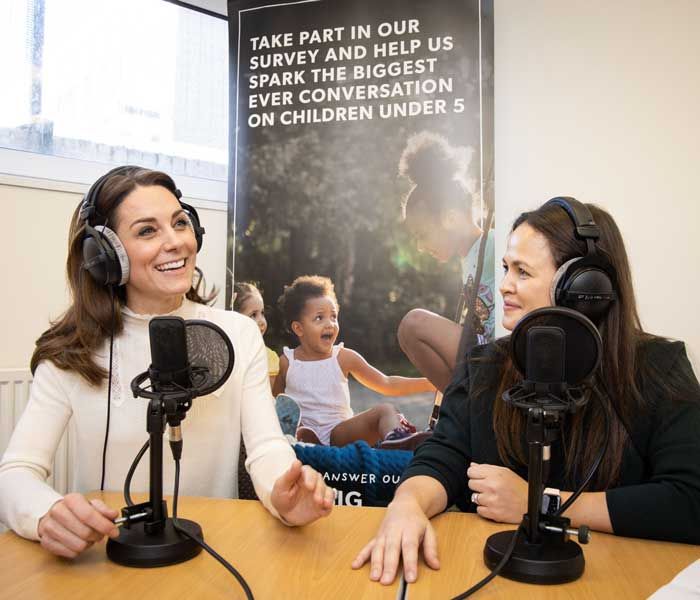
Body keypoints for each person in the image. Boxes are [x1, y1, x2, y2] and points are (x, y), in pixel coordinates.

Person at [353, 199, 700, 585]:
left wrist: (540, 503)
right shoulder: (484, 366)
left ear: (584, 288)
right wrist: (407, 503)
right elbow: (441, 456)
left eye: (522, 271)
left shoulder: (659, 367)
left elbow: (690, 501)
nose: (504, 285)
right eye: (505, 268)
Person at [0, 166, 334, 559]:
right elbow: (16, 472)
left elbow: (265, 449)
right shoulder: (71, 351)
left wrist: (283, 494)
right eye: (147, 231)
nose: (175, 242)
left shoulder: (239, 333)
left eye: (180, 223)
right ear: (104, 255)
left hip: (213, 550)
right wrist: (45, 514)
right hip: (107, 560)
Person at [272, 275, 436, 449]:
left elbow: (386, 383)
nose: (330, 324)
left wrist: (431, 384)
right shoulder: (286, 362)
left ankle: (396, 440)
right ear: (299, 328)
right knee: (294, 425)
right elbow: (275, 401)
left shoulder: (343, 357)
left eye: (333, 317)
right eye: (319, 318)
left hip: (340, 433)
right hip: (304, 430)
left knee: (386, 409)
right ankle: (300, 440)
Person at [396, 131, 495, 392]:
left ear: (451, 218)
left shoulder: (493, 243)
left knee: (413, 325)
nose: (419, 245)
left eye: (422, 234)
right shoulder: (468, 257)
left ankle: (461, 409)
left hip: (499, 357)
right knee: (410, 331)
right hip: (482, 357)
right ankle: (462, 406)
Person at [233, 281, 279, 390]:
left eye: (262, 313)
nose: (262, 321)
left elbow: (268, 395)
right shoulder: (228, 354)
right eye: (253, 315)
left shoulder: (269, 357)